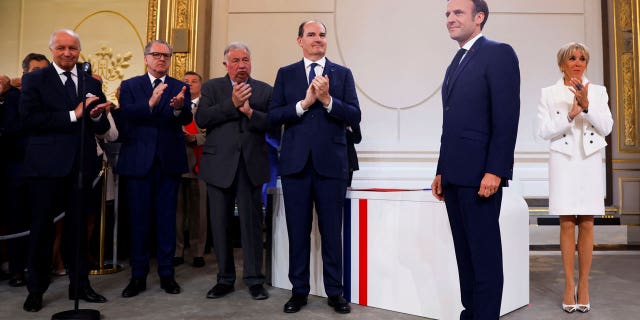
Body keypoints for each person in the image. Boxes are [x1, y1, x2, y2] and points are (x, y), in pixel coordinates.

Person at [430, 1, 520, 319]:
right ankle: (471, 313)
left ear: (479, 18)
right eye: (448, 14)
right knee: (465, 255)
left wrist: (495, 170)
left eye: (458, 13)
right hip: (454, 176)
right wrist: (441, 171)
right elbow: (450, 124)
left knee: (484, 257)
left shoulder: (499, 53)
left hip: (482, 176)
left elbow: (506, 118)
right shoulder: (456, 61)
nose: (450, 19)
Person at [269, 21, 361, 314]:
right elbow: (273, 115)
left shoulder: (342, 74)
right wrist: (304, 103)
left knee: (332, 233)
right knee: (298, 232)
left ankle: (335, 292)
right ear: (300, 41)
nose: (318, 39)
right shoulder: (286, 74)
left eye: (322, 35)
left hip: (331, 167)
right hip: (296, 166)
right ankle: (299, 291)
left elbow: (355, 114)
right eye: (311, 35)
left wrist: (328, 100)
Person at [19, 29, 112, 312]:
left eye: (73, 48)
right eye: (62, 48)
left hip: (82, 166)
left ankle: (80, 285)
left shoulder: (90, 82)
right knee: (42, 231)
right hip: (46, 167)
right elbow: (29, 119)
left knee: (77, 231)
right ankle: (35, 289)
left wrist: (96, 117)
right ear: (52, 50)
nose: (68, 53)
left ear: (79, 51)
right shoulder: (35, 79)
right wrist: (74, 114)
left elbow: (102, 127)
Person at [537, 42, 613, 314]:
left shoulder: (599, 91)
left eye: (582, 58)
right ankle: (569, 285)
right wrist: (570, 113)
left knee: (589, 222)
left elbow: (607, 127)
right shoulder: (549, 93)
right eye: (572, 58)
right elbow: (544, 131)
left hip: (589, 160)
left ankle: (584, 285)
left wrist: (587, 105)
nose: (578, 62)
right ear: (562, 64)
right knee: (567, 222)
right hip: (564, 161)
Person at [195, 42, 272, 300]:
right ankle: (225, 278)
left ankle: (254, 279)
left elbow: (273, 125)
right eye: (236, 60)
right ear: (225, 63)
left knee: (252, 225)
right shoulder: (212, 88)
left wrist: (250, 112)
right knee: (220, 224)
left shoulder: (264, 90)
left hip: (251, 166)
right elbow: (202, 120)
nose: (241, 65)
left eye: (246, 60)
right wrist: (232, 103)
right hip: (219, 167)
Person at [116, 39, 191, 298]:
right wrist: (149, 103)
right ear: (146, 58)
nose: (162, 59)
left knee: (167, 221)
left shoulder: (180, 86)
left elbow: (187, 119)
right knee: (138, 221)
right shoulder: (130, 85)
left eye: (166, 56)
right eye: (156, 55)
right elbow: (125, 115)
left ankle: (167, 274)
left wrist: (180, 109)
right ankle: (137, 276)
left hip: (168, 162)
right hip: (138, 162)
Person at [174, 71, 208, 268]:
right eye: (186, 81)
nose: (190, 84)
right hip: (178, 161)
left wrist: (196, 138)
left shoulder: (207, 104)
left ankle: (198, 251)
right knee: (177, 211)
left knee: (199, 212)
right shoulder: (175, 103)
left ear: (200, 85)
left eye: (194, 81)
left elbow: (215, 132)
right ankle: (177, 250)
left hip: (200, 162)